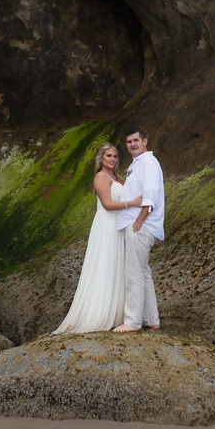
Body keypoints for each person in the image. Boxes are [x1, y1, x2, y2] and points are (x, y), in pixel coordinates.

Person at [52, 142, 142, 334]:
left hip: (118, 224)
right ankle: (99, 312)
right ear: (101, 158)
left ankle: (118, 314)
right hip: (106, 224)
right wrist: (133, 203)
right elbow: (108, 205)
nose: (112, 159)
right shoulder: (100, 177)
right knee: (105, 265)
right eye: (109, 156)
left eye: (115, 156)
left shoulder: (116, 176)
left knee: (117, 265)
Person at [112, 128, 165, 333]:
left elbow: (151, 195)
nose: (132, 144)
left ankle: (132, 321)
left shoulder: (149, 163)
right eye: (128, 142)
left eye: (136, 140)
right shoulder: (138, 164)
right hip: (139, 225)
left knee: (133, 273)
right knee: (143, 272)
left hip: (140, 226)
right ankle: (152, 319)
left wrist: (138, 222)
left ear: (145, 141)